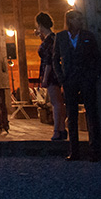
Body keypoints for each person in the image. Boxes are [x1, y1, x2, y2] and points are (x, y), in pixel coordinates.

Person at [52, 9, 101, 161]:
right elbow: (55, 59)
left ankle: (95, 150)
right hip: (70, 80)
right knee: (71, 115)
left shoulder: (88, 36)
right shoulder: (61, 37)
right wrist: (61, 78)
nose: (80, 21)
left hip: (86, 78)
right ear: (70, 21)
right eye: (77, 19)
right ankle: (74, 151)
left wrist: (93, 76)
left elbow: (97, 57)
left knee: (91, 114)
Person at [34, 11, 67, 141]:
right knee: (58, 102)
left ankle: (57, 130)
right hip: (56, 72)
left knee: (56, 102)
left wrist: (45, 78)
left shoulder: (49, 42)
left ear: (41, 25)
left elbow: (48, 61)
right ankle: (62, 129)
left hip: (51, 73)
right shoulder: (53, 38)